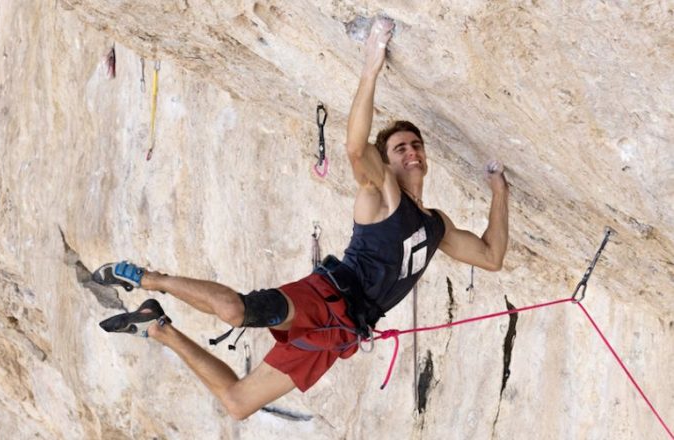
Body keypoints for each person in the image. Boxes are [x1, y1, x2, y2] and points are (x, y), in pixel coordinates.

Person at [93, 17, 508, 420]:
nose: (411, 152)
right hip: (324, 297)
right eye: (400, 148)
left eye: (416, 145)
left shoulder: (438, 225)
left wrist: (499, 191)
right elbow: (353, 147)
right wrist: (371, 67)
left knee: (238, 404)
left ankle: (157, 326)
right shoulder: (381, 192)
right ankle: (149, 279)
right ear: (386, 162)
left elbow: (491, 256)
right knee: (236, 312)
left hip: (343, 331)